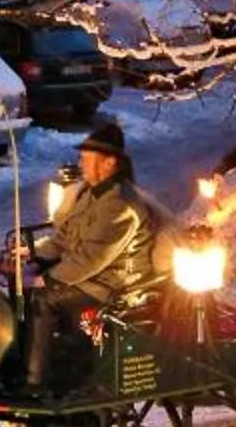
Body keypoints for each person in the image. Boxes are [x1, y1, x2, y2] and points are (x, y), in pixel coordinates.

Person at [18, 120, 162, 390]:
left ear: (108, 163)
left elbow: (90, 260)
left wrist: (46, 280)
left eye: (87, 158)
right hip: (92, 275)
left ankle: (35, 382)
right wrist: (38, 259)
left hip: (111, 283)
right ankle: (52, 361)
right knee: (23, 294)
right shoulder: (91, 194)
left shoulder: (120, 204)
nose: (81, 164)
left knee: (44, 300)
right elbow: (64, 237)